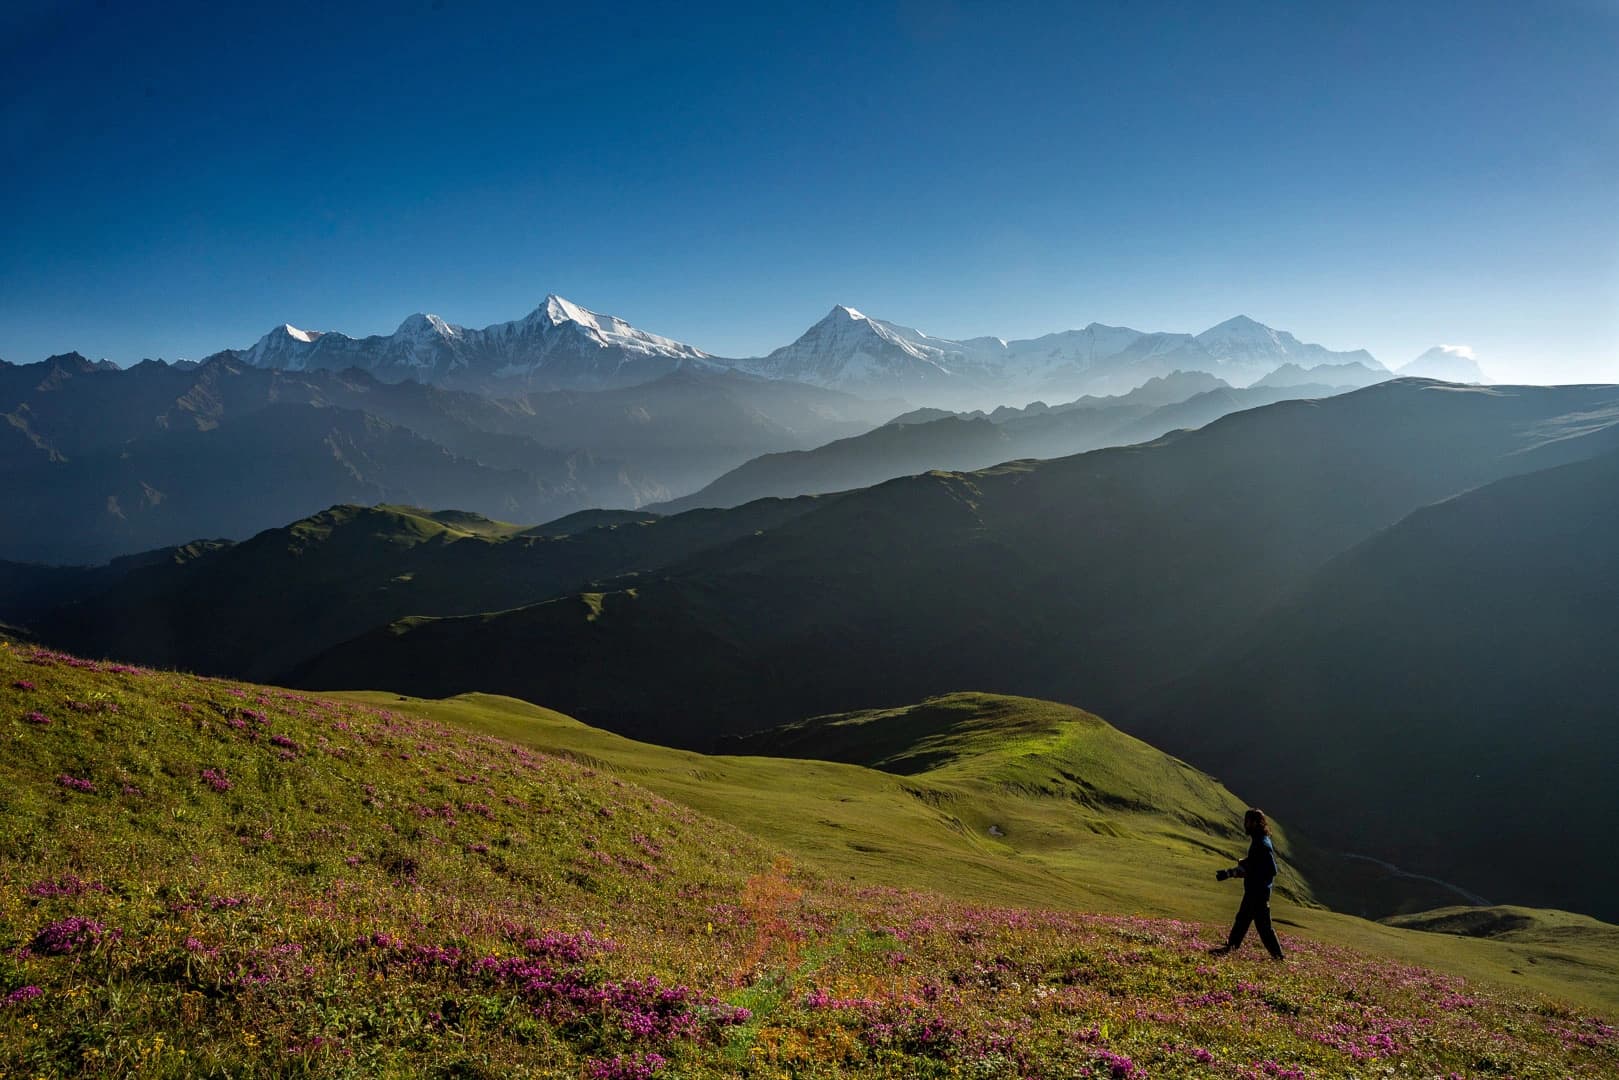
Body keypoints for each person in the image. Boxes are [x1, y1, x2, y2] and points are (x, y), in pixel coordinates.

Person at [1209, 808, 1285, 960]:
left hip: (1257, 892)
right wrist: (1232, 871)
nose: (1245, 824)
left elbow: (1271, 869)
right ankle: (1232, 947)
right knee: (1246, 921)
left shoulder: (1261, 843)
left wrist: (1244, 870)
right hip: (1257, 891)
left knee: (1258, 925)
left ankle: (1277, 957)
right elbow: (1255, 863)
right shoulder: (1261, 840)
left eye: (1247, 822)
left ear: (1256, 823)